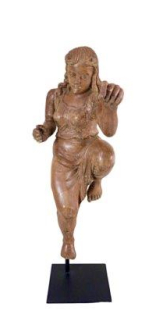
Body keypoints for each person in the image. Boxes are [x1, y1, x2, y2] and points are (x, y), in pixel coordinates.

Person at [33, 47, 123, 260]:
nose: (77, 80)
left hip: (89, 152)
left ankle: (96, 180)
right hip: (63, 158)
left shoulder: (96, 98)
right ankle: (68, 239)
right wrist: (43, 131)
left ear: (94, 75)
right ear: (66, 72)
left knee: (107, 155)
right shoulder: (55, 95)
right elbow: (49, 123)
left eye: (83, 76)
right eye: (72, 74)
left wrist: (110, 109)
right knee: (66, 209)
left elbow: (109, 132)